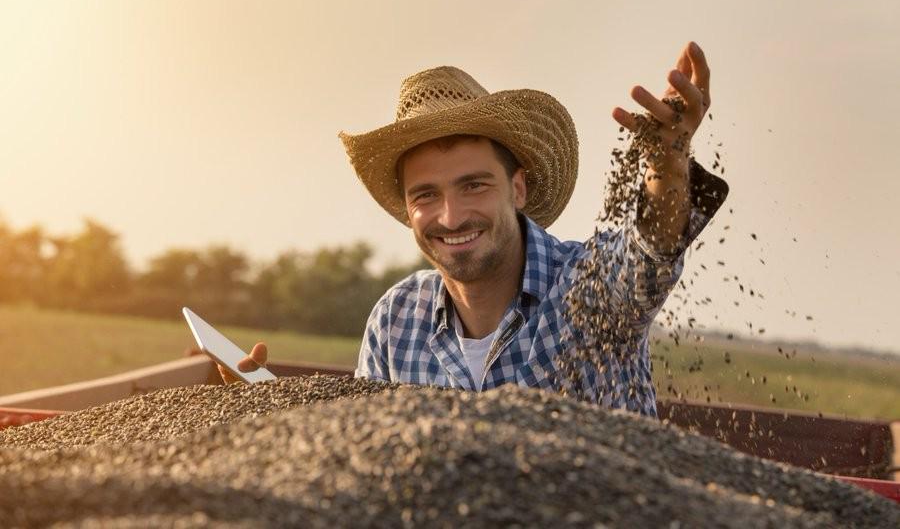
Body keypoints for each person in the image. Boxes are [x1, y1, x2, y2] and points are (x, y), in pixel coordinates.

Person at [219, 42, 727, 416]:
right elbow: (365, 452)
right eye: (426, 195)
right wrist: (271, 416)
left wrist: (667, 160)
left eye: (474, 186)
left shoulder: (589, 288)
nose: (451, 216)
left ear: (519, 189)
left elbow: (649, 254)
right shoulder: (396, 321)